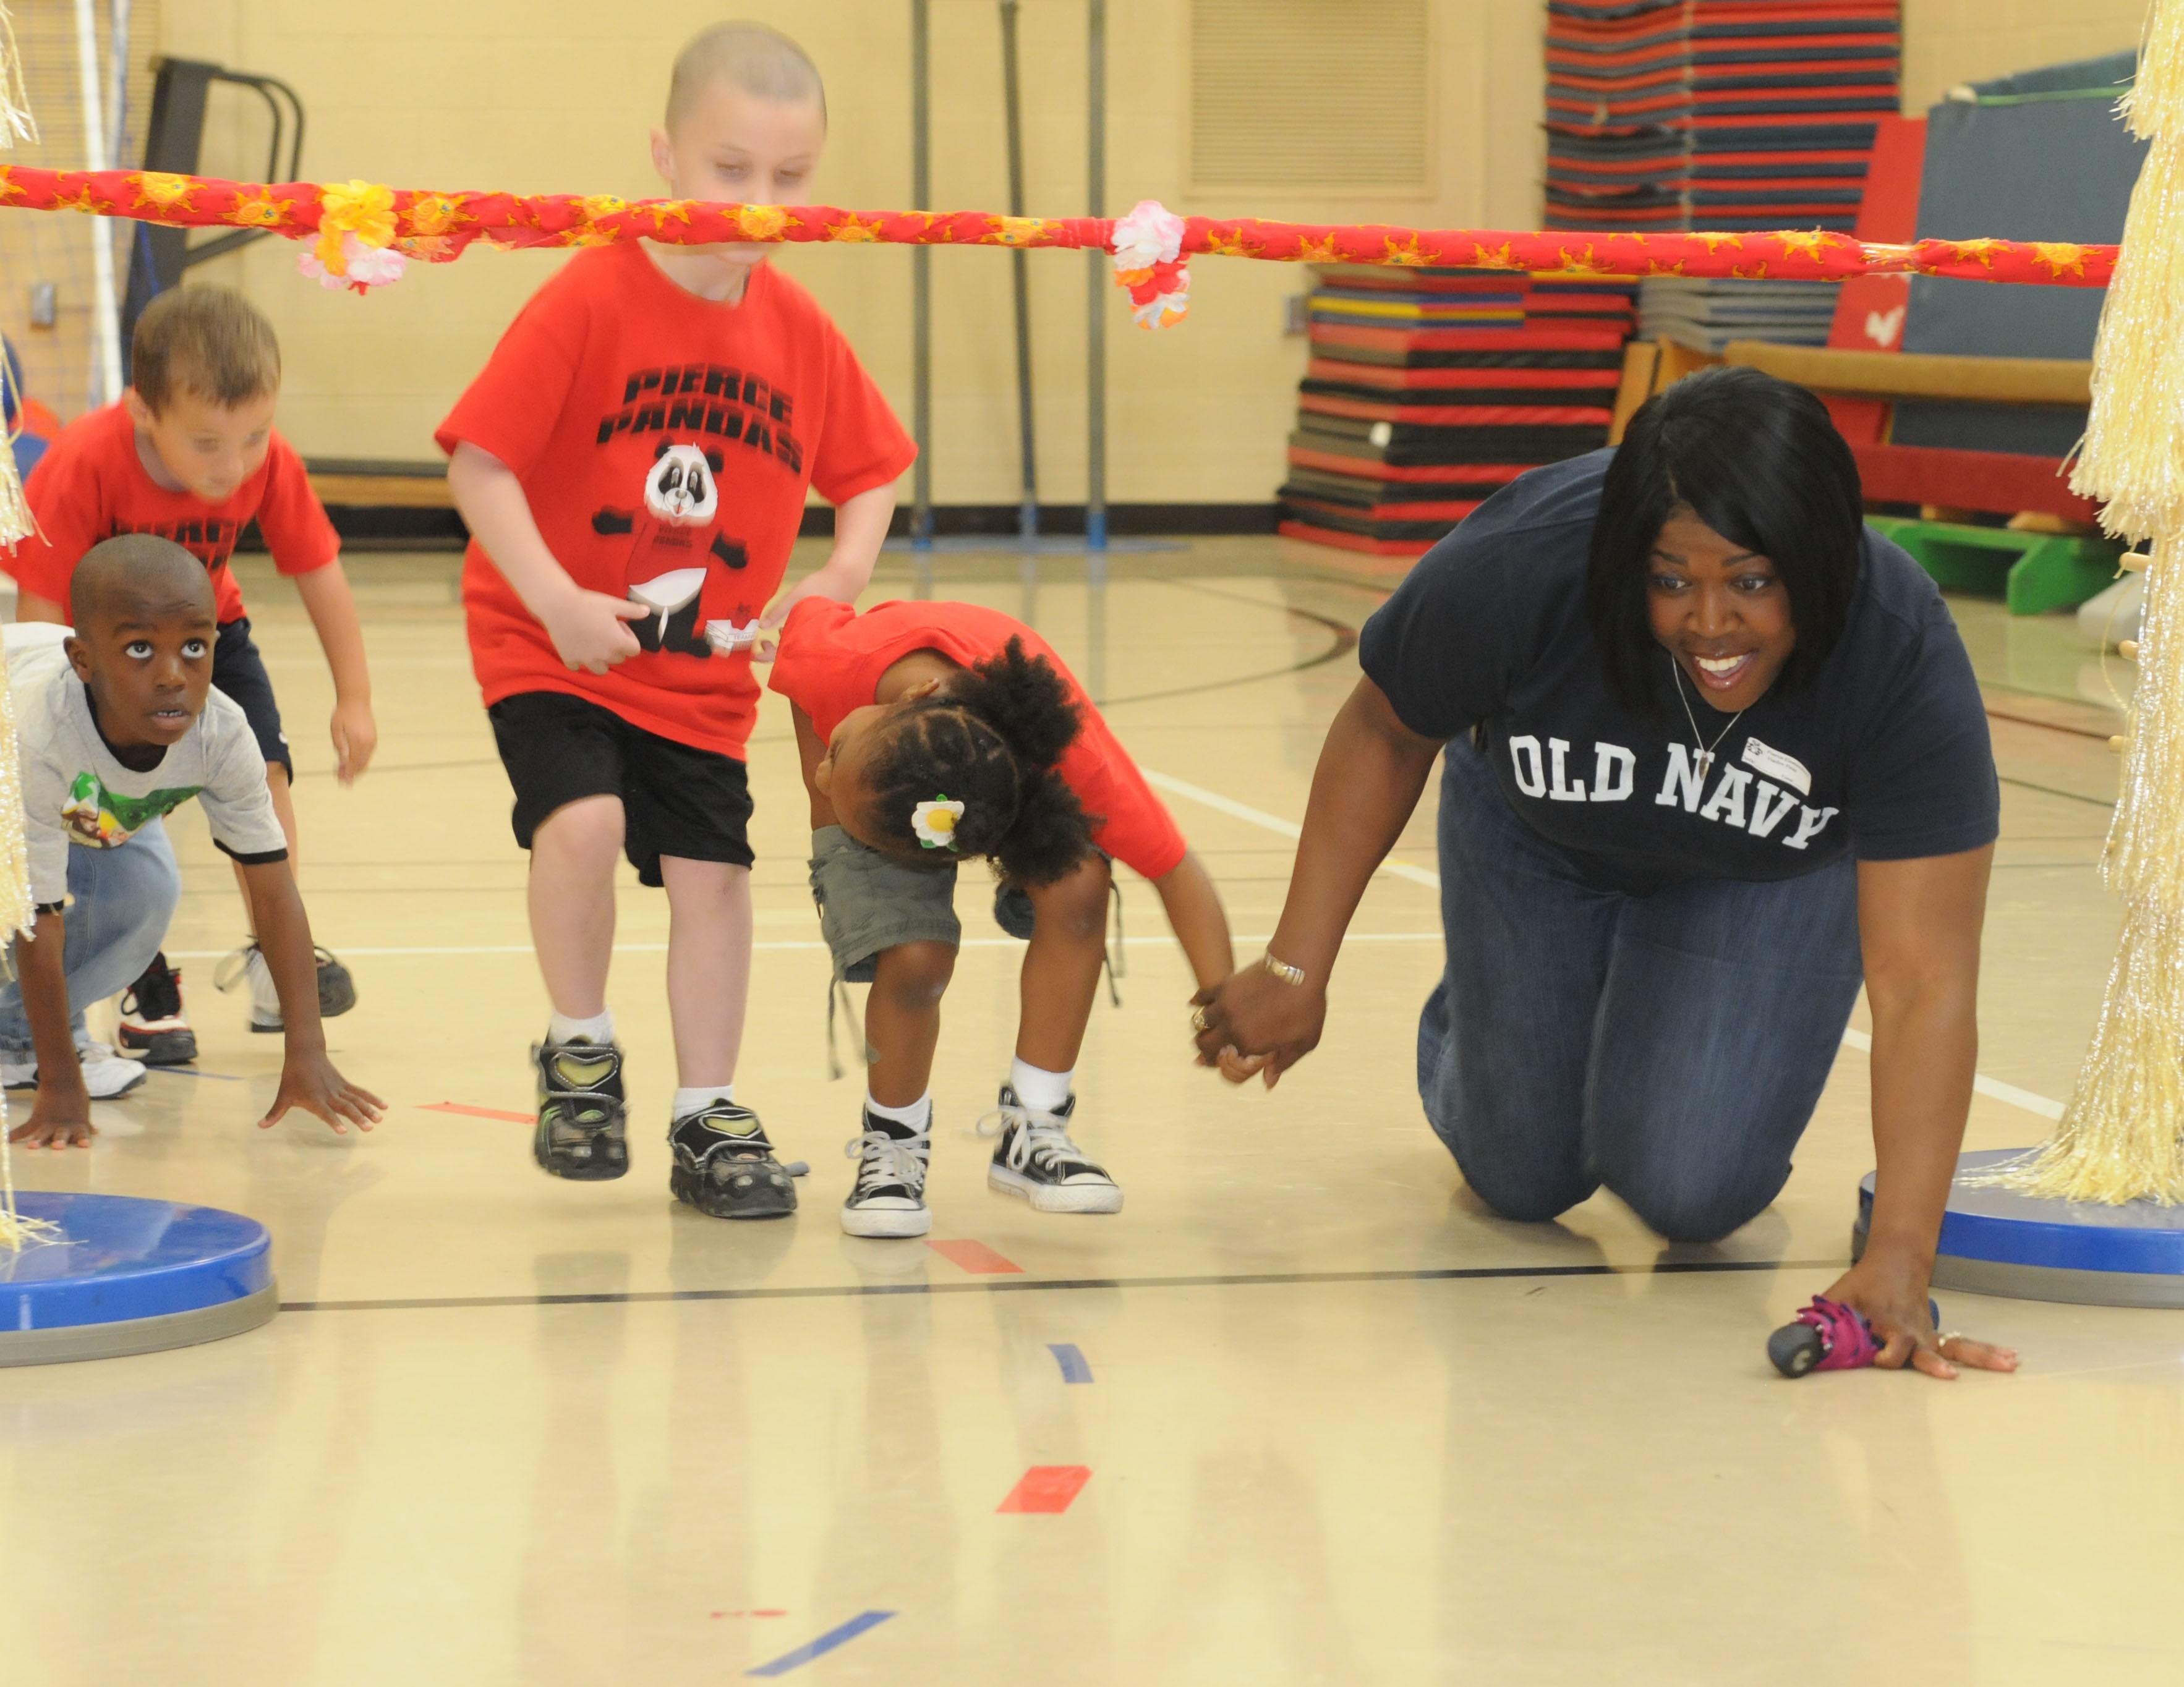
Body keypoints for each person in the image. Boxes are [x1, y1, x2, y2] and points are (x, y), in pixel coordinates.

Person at [1193, 367, 2019, 1380]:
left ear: (1819, 559)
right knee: (1522, 1175)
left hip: (1763, 872)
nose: (1707, 622)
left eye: (1751, 579)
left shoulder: (1894, 645)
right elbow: (1384, 724)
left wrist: (1898, 1256)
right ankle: (1486, 1018)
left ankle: (1611, 1016)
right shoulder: (1519, 561)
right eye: (1669, 578)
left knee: (1693, 1192)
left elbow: (1921, 977)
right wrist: (1294, 968)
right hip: (1537, 837)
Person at [438, 22, 915, 1218]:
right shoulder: (590, 293)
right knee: (587, 822)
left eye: (791, 179)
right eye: (730, 169)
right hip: (546, 640)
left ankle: (707, 1110)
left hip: (699, 670)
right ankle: (579, 1048)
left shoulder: (798, 329)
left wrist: (842, 572)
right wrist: (553, 599)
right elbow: (480, 464)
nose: (759, 204)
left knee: (712, 877)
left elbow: (872, 468)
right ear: (664, 155)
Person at [770, 595, 1235, 1238]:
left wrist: (1227, 1010)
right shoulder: (832, 664)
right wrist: (827, 785)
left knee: (1079, 884)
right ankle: (893, 1145)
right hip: (869, 782)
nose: (822, 775)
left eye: (831, 763)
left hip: (1000, 770)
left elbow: (1173, 865)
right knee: (914, 954)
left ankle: (1034, 1127)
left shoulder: (1072, 754)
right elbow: (808, 619)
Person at [5, 286, 371, 1063]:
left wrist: (355, 695)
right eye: (207, 443)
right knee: (111, 812)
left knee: (265, 773)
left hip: (212, 634)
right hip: (90, 653)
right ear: (144, 412)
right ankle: (130, 968)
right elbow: (40, 618)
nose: (234, 464)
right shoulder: (83, 462)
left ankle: (277, 955)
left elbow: (318, 568)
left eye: (254, 436)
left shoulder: (264, 461)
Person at [2, 536, 383, 1148]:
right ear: (83, 660)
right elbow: (35, 919)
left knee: (147, 893)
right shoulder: (39, 733)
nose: (173, 675)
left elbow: (275, 890)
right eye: (140, 649)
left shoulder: (222, 731)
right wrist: (62, 1084)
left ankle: (12, 1032)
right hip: (9, 755)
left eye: (195, 647)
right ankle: (42, 1047)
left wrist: (306, 1049)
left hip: (84, 795)